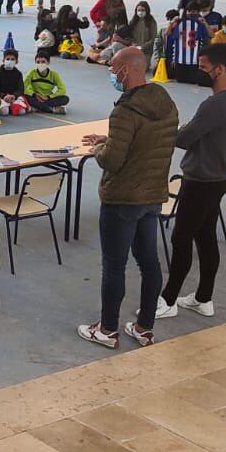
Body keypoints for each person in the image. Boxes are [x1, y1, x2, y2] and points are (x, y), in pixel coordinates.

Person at [77, 46, 179, 350]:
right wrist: (111, 139)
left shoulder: (125, 110)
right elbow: (147, 140)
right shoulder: (165, 103)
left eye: (113, 68)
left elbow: (111, 161)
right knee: (149, 263)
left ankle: (107, 329)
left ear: (127, 70)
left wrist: (100, 148)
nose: (111, 73)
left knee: (114, 266)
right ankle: (145, 327)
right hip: (152, 195)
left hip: (122, 198)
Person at [155, 44, 226, 324]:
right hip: (217, 178)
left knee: (181, 239)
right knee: (205, 237)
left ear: (219, 69)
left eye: (204, 67)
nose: (199, 72)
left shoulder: (214, 105)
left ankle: (168, 300)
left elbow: (183, 138)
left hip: (200, 181)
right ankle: (203, 298)